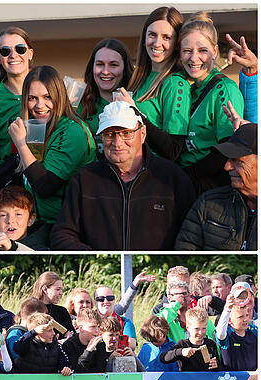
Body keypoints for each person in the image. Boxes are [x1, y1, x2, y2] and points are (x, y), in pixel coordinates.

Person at [51, 101, 196, 250]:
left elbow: (192, 238)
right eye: (109, 134)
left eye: (126, 133)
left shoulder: (172, 178)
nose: (117, 143)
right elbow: (62, 234)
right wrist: (99, 259)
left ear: (143, 133)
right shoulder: (84, 179)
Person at [129, 11, 245, 193]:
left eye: (202, 51)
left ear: (215, 51)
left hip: (208, 189)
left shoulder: (223, 88)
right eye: (187, 51)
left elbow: (226, 151)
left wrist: (184, 176)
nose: (193, 58)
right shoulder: (194, 88)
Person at [7, 65, 97, 224]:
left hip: (68, 227)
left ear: (60, 96)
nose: (39, 105)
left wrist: (21, 144)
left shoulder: (72, 131)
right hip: (40, 223)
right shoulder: (39, 128)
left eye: (47, 97)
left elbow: (45, 186)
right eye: (32, 98)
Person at [0, 27, 36, 225]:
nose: (13, 55)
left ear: (30, 53)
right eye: (5, 51)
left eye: (20, 48)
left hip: (47, 186)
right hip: (7, 191)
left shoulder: (48, 88)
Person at [175, 122, 257, 250]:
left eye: (237, 160)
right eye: (228, 159)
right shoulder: (206, 203)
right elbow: (184, 248)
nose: (226, 167)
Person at [125, 6, 189, 154]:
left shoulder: (175, 83)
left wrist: (135, 113)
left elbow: (172, 150)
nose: (157, 43)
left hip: (153, 173)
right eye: (152, 34)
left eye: (166, 37)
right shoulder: (139, 78)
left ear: (177, 43)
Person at [77, 39, 134, 151]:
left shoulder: (136, 102)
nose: (105, 71)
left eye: (113, 65)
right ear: (92, 67)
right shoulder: (78, 104)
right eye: (100, 64)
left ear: (124, 68)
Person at [160, 308, 222, 372]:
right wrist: (181, 352)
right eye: (196, 329)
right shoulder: (183, 344)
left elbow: (219, 367)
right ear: (188, 328)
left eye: (204, 328)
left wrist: (216, 365)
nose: (200, 332)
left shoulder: (210, 344)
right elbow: (163, 358)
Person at [0, 185, 49, 250]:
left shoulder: (42, 247)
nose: (10, 220)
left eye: (18, 214)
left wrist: (12, 248)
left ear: (30, 219)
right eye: (3, 215)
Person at [216, 283, 258, 371]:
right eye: (241, 317)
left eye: (246, 315)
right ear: (230, 321)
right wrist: (227, 308)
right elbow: (220, 333)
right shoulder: (227, 333)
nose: (246, 319)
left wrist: (258, 373)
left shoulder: (254, 331)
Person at [80, 317, 145, 373]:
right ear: (100, 334)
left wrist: (134, 358)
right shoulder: (98, 353)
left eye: (117, 335)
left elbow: (143, 372)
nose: (114, 338)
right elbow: (101, 375)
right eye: (110, 335)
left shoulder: (123, 352)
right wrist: (110, 359)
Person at [92, 286, 136, 351]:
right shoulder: (88, 322)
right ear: (95, 302)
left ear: (114, 300)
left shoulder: (125, 322)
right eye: (101, 299)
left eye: (110, 298)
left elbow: (131, 345)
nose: (106, 301)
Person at [30, 271, 74, 336]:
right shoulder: (30, 310)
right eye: (58, 289)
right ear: (45, 289)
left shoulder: (62, 312)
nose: (61, 293)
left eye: (62, 289)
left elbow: (73, 337)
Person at [62, 307, 101, 373]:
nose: (97, 331)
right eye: (93, 327)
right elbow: (77, 372)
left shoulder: (100, 344)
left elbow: (100, 370)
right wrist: (88, 351)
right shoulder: (69, 345)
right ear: (81, 328)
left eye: (99, 327)